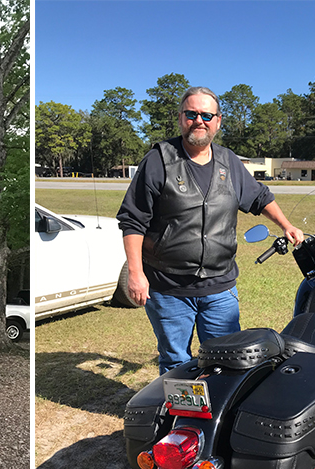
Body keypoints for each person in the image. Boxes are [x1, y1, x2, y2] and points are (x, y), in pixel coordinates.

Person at [118, 86, 305, 374]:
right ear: (181, 118)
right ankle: (179, 419)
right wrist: (135, 272)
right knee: (176, 362)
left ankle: (218, 417)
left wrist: (287, 225)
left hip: (219, 288)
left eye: (207, 114)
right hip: (169, 288)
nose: (199, 120)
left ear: (218, 121)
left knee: (228, 359)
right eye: (191, 113)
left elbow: (259, 197)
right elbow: (133, 220)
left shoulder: (229, 162)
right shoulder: (159, 160)